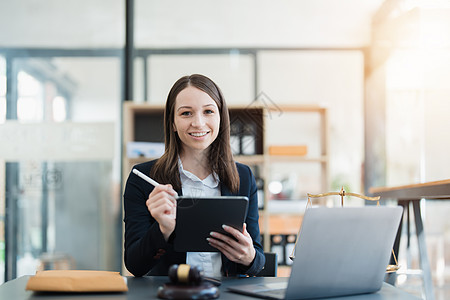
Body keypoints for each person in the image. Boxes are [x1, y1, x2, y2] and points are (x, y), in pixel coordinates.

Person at [123, 74, 265, 277]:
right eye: (186, 113)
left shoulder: (243, 176)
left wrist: (248, 256)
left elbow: (258, 260)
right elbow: (134, 265)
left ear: (220, 118)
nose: (198, 123)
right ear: (172, 122)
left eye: (208, 111)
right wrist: (163, 230)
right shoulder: (142, 179)